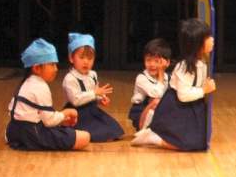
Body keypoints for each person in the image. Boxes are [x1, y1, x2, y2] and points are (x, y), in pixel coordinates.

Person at [132, 18, 215, 150]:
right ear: (197, 42)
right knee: (187, 144)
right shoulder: (185, 67)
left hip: (192, 105)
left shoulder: (202, 61)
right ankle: (153, 137)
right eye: (208, 37)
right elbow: (183, 95)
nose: (212, 39)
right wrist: (203, 90)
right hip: (178, 107)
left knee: (200, 143)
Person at [6, 39, 89, 151]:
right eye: (51, 65)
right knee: (85, 137)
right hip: (33, 133)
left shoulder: (26, 82)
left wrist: (61, 121)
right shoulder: (41, 87)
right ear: (37, 68)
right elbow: (49, 121)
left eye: (56, 65)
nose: (56, 69)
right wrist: (66, 113)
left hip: (13, 131)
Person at [62, 33, 124, 142]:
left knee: (116, 130)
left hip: (92, 110)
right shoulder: (70, 79)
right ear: (71, 58)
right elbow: (76, 100)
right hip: (78, 114)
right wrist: (94, 93)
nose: (86, 62)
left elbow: (95, 93)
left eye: (90, 58)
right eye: (81, 57)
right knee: (103, 135)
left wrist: (101, 99)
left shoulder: (92, 74)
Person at [129, 38, 171, 132]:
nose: (151, 64)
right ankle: (143, 132)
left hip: (161, 113)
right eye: (148, 60)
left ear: (167, 62)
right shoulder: (141, 78)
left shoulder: (170, 78)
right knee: (156, 102)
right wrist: (161, 73)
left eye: (157, 61)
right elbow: (157, 94)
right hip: (142, 112)